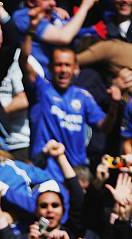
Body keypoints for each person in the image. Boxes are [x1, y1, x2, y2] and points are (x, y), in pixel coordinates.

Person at [20, 37, 121, 182]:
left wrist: (114, 105)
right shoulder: (41, 90)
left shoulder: (83, 97)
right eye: (58, 65)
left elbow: (104, 126)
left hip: (75, 174)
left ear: (75, 68)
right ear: (50, 67)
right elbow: (24, 62)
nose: (63, 70)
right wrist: (30, 31)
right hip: (44, 172)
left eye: (67, 65)